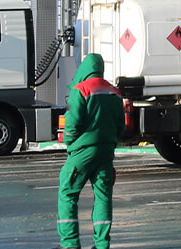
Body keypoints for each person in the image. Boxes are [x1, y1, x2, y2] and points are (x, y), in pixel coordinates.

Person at [58, 54, 124, 249]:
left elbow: (72, 123)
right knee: (103, 196)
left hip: (82, 152)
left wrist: (69, 142)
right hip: (106, 151)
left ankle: (70, 244)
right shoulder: (115, 92)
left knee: (68, 194)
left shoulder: (81, 90)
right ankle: (102, 244)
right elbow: (121, 125)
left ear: (84, 69)